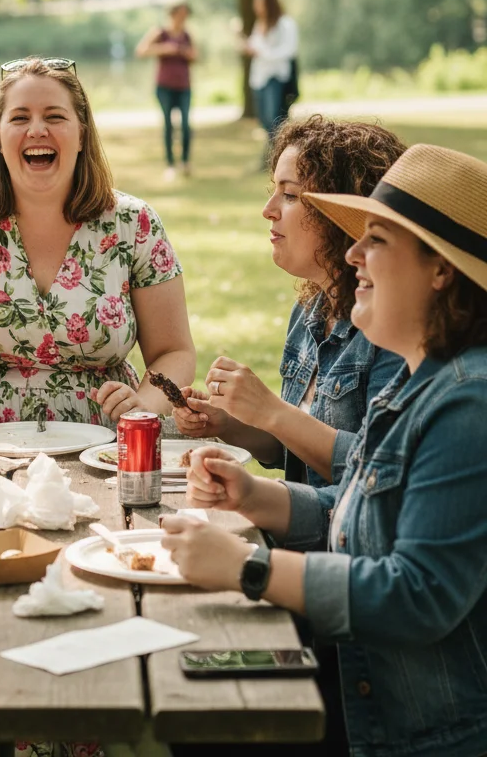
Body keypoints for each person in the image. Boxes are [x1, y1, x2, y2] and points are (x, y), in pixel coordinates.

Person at [163, 143, 487, 757]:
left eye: (377, 241)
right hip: (364, 697)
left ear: (441, 270)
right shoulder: (419, 379)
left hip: (420, 737)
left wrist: (247, 567)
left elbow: (418, 594)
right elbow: (362, 502)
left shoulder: (469, 403)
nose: (353, 254)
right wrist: (258, 495)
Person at [0, 55, 196, 437]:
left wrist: (143, 408)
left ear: (82, 134)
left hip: (107, 447)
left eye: (54, 117)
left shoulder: (135, 224)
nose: (37, 130)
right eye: (19, 118)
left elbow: (175, 352)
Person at [173, 116, 407, 487]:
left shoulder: (395, 329)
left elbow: (379, 473)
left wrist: (271, 411)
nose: (268, 209)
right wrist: (229, 423)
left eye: (291, 195)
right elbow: (297, 451)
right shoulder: (310, 310)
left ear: (344, 214)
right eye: (274, 190)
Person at [135, 2, 197, 179]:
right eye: (181, 14)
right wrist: (165, 49)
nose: (184, 18)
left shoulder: (187, 35)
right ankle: (170, 164)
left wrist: (186, 53)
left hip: (184, 86)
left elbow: (196, 55)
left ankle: (185, 161)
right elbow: (141, 51)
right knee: (168, 124)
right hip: (164, 87)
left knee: (185, 124)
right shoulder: (160, 33)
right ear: (173, 14)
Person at [242, 0, 298, 151]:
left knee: (275, 119)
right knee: (265, 120)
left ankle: (283, 152)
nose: (256, 7)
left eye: (259, 3)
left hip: (276, 76)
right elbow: (255, 46)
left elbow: (290, 49)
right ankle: (275, 153)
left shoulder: (285, 24)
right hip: (259, 78)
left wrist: (263, 53)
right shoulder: (260, 24)